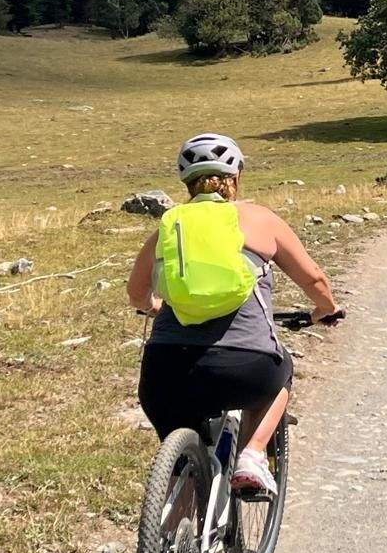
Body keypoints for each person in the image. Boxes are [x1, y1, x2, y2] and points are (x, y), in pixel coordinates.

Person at [128, 132, 341, 496]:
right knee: (282, 370)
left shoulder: (168, 227)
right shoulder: (259, 220)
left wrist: (155, 306)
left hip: (164, 373)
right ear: (236, 177)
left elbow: (136, 292)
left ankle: (171, 540)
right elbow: (314, 279)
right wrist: (326, 309)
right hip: (245, 366)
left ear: (187, 183)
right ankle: (253, 455)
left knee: (184, 474)